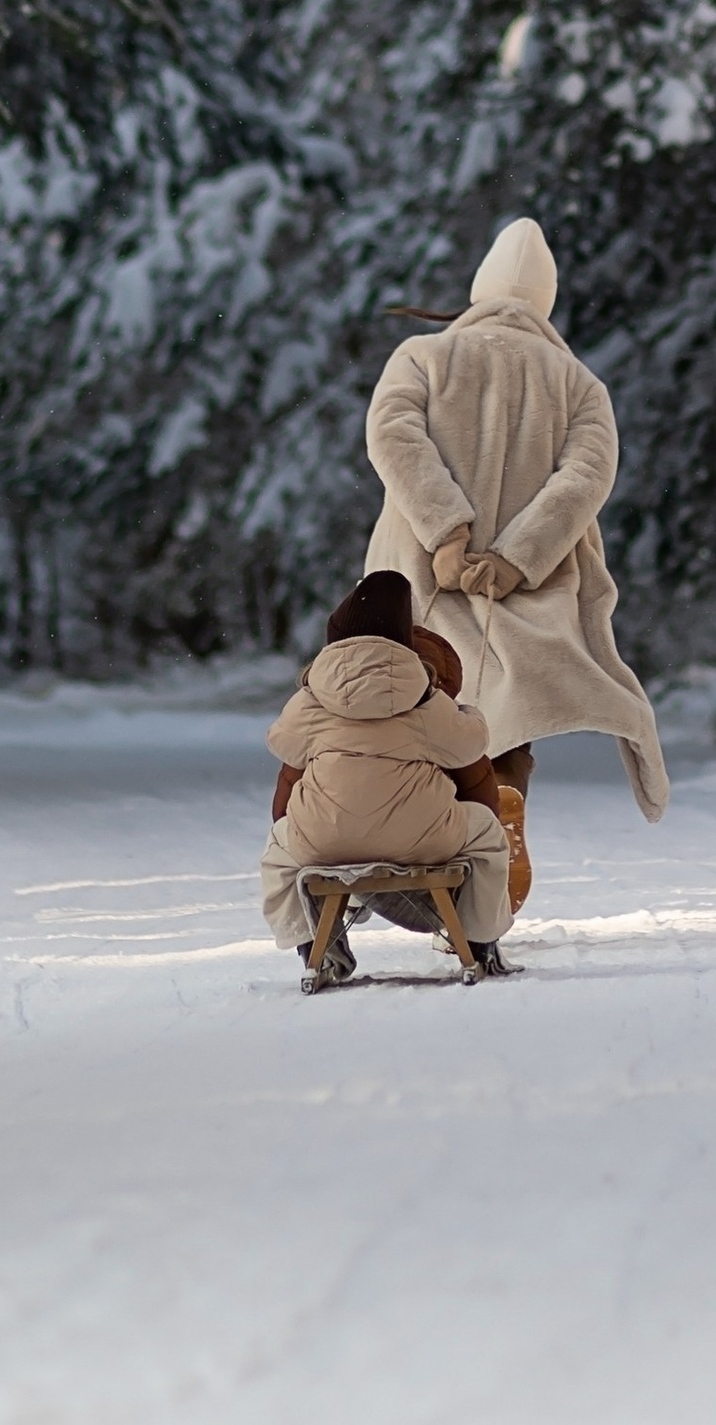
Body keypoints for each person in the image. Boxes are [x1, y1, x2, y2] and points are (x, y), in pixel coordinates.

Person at [362, 215, 669, 897]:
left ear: (478, 290)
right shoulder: (579, 382)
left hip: (421, 576)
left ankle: (412, 848)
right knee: (503, 719)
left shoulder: (422, 356)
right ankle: (498, 808)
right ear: (546, 302)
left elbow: (393, 437)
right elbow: (585, 479)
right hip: (527, 589)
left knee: (411, 711)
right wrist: (514, 557)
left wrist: (446, 533)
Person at [259, 570, 513, 967]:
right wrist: (468, 713)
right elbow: (469, 746)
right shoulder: (423, 696)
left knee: (278, 846)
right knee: (487, 833)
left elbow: (280, 742)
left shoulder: (312, 698)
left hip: (325, 839)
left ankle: (310, 942)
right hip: (423, 837)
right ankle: (480, 940)